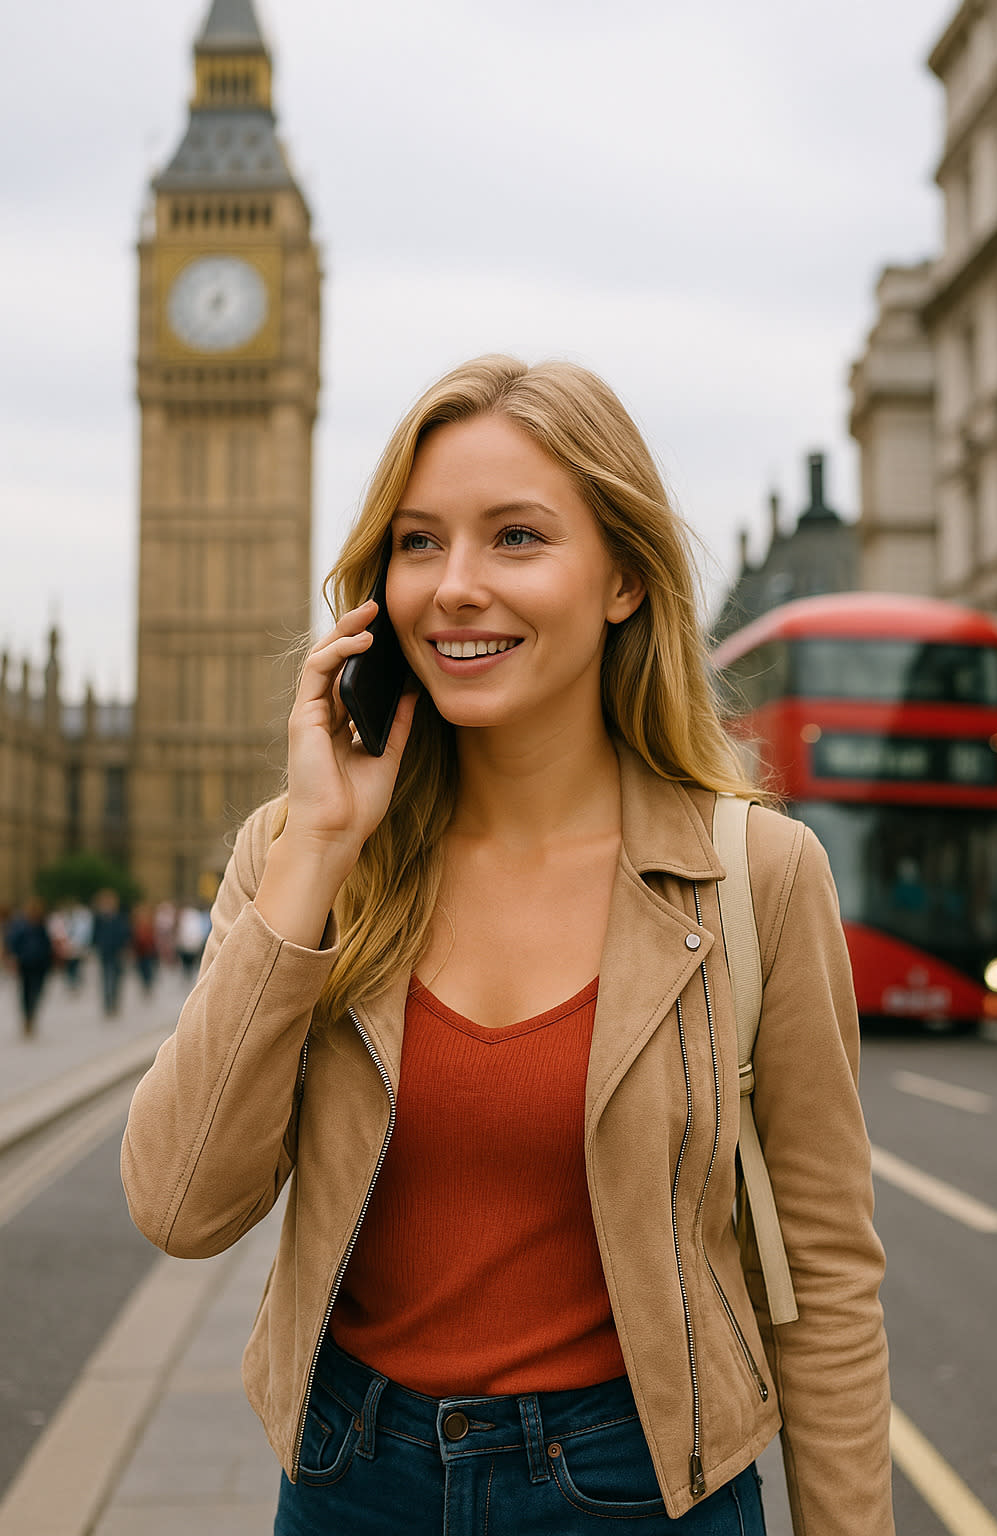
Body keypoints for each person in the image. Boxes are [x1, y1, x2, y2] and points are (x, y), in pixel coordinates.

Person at [122, 356, 894, 1535]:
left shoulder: (758, 876)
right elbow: (179, 1209)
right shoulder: (306, 852)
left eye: (517, 539)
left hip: (639, 1491)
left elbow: (829, 1285)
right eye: (419, 542)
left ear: (624, 579)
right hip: (347, 1484)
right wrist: (317, 852)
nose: (456, 587)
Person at [5, 898, 53, 1036]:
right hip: (25, 963)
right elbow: (13, 942)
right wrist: (13, 958)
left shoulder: (42, 925)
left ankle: (31, 1015)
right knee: (26, 992)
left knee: (37, 991)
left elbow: (47, 944)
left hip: (40, 963)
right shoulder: (21, 926)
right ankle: (27, 1017)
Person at [92, 888, 131, 1018]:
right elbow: (95, 935)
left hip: (117, 952)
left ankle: (114, 1002)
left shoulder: (119, 917)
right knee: (106, 979)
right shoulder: (99, 918)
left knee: (116, 979)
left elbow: (126, 934)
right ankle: (108, 1004)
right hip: (105, 953)